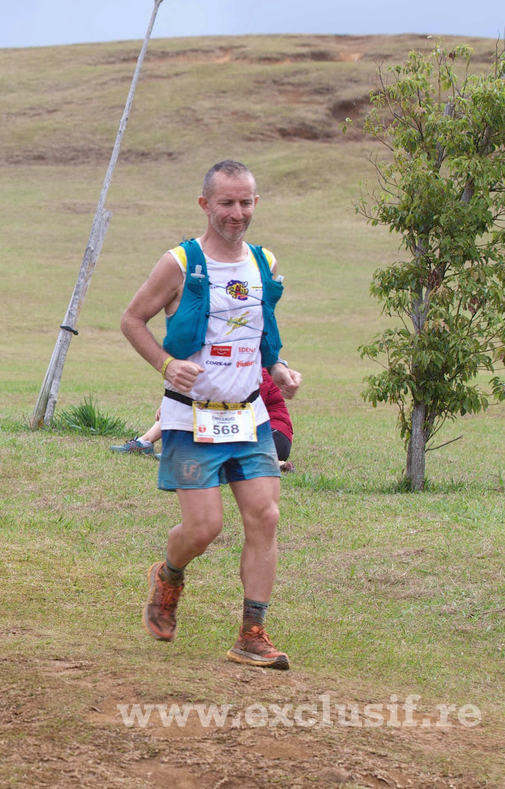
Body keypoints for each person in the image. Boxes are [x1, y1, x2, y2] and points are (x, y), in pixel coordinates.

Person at [120, 160, 302, 669]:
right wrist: (165, 362)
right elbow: (131, 319)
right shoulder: (179, 262)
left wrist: (278, 367)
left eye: (245, 202)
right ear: (205, 205)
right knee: (203, 528)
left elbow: (258, 327)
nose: (236, 213)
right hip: (190, 417)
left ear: (256, 204)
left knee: (265, 516)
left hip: (249, 415)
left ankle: (252, 632)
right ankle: (170, 574)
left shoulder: (263, 261)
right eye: (226, 202)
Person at [113, 368, 295, 471]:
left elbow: (244, 413)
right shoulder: (228, 371)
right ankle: (145, 443)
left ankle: (274, 462)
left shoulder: (257, 371)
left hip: (273, 436)